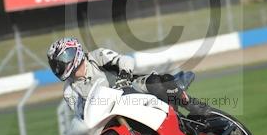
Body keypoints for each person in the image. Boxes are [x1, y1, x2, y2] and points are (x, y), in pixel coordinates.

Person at [46, 37, 210, 117]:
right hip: (111, 114)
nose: (59, 67)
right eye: (56, 65)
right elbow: (81, 115)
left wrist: (124, 75)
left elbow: (125, 60)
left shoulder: (97, 57)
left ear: (74, 52)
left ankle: (193, 106)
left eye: (61, 61)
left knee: (156, 82)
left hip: (130, 89)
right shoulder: (70, 91)